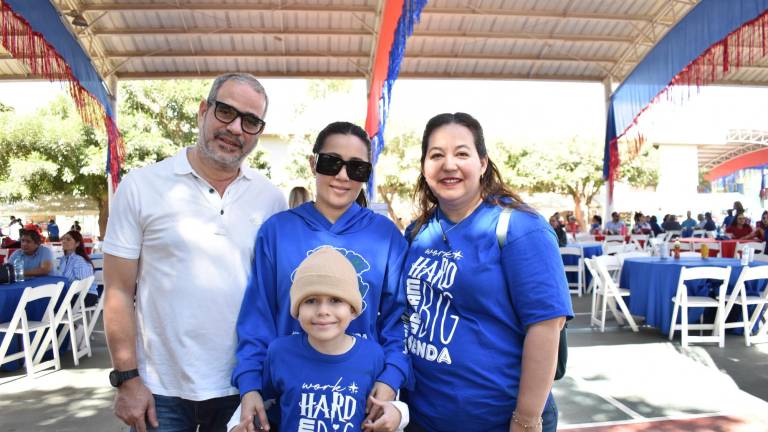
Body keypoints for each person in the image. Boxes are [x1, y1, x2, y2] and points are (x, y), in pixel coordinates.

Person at [103, 73, 287, 432]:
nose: (235, 128)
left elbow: (275, 296)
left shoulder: (271, 199)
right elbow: (118, 290)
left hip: (243, 386)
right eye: (225, 112)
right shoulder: (141, 186)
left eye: (250, 121)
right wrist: (127, 379)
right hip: (161, 390)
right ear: (203, 111)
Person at [233, 121, 409, 430]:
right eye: (331, 163)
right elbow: (257, 316)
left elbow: (398, 320)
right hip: (290, 405)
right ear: (313, 163)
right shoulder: (277, 232)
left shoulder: (386, 236)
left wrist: (391, 376)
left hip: (360, 400)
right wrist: (250, 385)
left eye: (356, 169)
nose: (342, 176)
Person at [402, 112, 572, 431]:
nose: (448, 164)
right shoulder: (417, 232)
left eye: (461, 153)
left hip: (499, 421)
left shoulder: (520, 228)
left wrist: (526, 419)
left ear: (482, 163)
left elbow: (547, 326)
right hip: (423, 419)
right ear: (424, 167)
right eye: (436, 155)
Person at [230, 248, 407, 432]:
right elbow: (262, 404)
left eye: (335, 300)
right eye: (311, 300)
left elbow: (386, 412)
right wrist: (238, 426)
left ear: (353, 310)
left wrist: (399, 413)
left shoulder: (372, 355)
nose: (323, 310)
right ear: (297, 309)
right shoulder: (280, 353)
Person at [55, 230, 96, 302]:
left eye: (68, 239)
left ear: (77, 243)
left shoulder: (79, 260)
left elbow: (84, 284)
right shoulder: (63, 259)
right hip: (71, 294)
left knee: (48, 302)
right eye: (63, 239)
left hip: (85, 295)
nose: (64, 241)